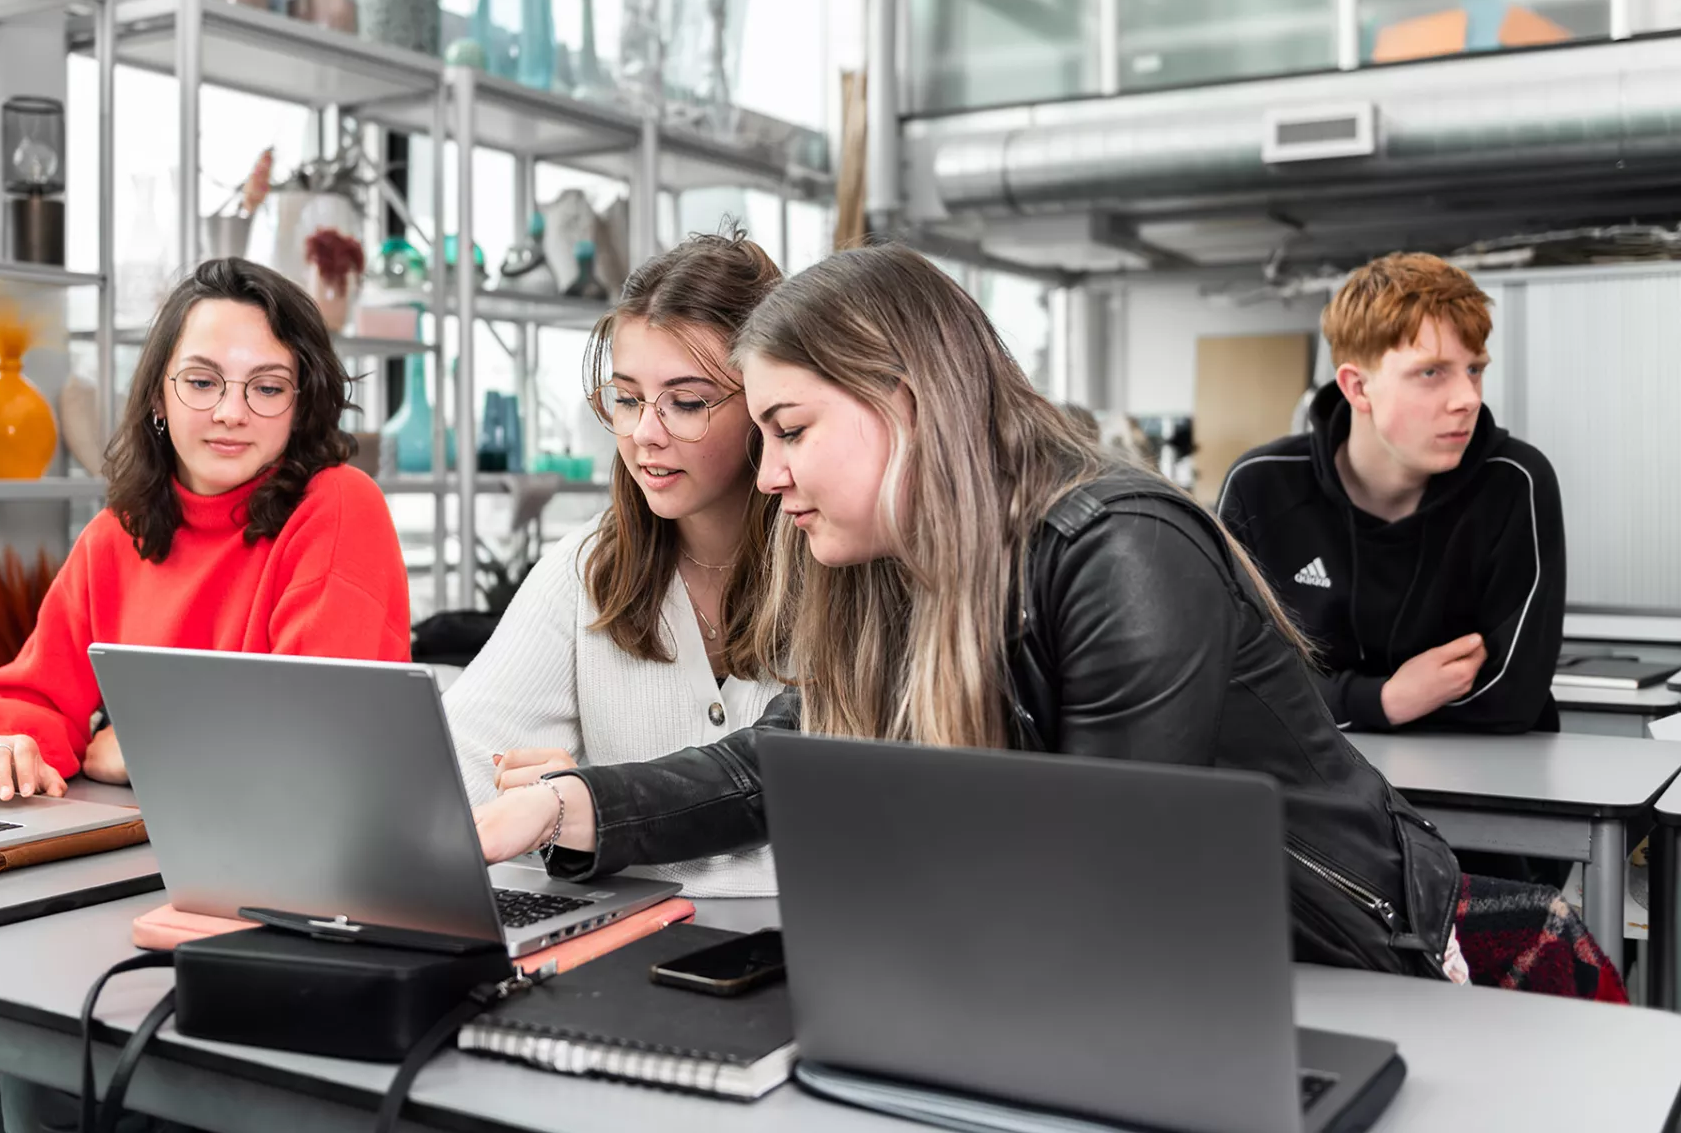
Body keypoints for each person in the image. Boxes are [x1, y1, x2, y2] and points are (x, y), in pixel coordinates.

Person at [471, 243, 1622, 1001]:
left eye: (789, 428)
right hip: (1135, 984)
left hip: (1344, 965)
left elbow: (1118, 880)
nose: (765, 476)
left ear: (903, 406)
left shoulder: (1120, 547)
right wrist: (563, 808)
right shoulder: (886, 567)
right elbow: (778, 759)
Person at [0, 257, 413, 798]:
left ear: (299, 406)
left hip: (301, 856)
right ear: (157, 397)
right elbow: (35, 698)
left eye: (267, 388)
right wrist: (13, 747)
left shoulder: (338, 504)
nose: (231, 412)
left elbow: (316, 736)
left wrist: (150, 748)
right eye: (201, 381)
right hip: (146, 840)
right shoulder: (115, 535)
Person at [445, 230, 787, 896]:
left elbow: (786, 783)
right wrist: (546, 797)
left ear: (766, 404)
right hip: (633, 955)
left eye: (686, 402)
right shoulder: (585, 570)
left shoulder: (842, 562)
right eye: (627, 398)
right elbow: (456, 770)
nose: (643, 433)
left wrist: (580, 802)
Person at [1218, 253, 1564, 735]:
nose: (1467, 398)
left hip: (1486, 776)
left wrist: (1328, 700)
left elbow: (1513, 696)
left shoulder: (1516, 482)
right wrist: (1383, 700)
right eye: (1431, 373)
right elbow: (1234, 681)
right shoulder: (1260, 487)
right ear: (1357, 387)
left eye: (1474, 370)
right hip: (1322, 776)